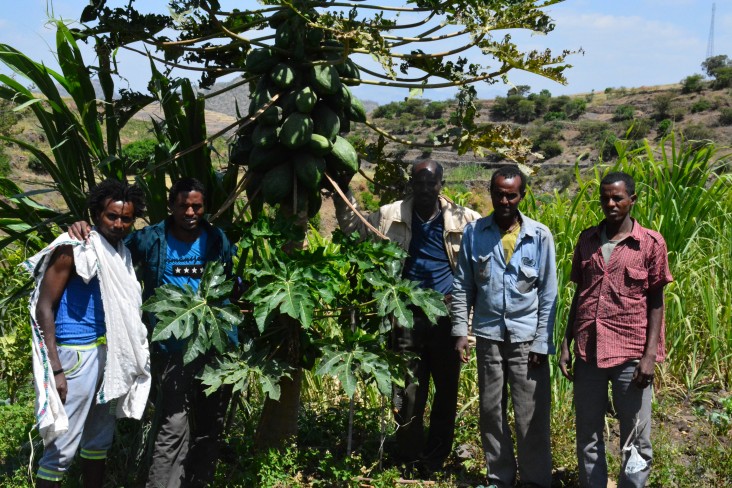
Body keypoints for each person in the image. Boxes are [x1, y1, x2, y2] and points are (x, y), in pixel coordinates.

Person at [70, 177, 236, 487]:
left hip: (214, 346)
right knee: (174, 425)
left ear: (205, 208)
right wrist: (84, 228)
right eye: (183, 206)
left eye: (197, 206)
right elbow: (110, 250)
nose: (190, 212)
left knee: (210, 425)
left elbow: (229, 285)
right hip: (171, 349)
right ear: (171, 206)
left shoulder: (217, 240)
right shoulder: (151, 239)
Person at [334, 160, 481, 472]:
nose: (426, 189)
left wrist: (466, 326)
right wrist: (341, 191)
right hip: (404, 314)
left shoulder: (465, 219)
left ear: (442, 184)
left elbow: (479, 270)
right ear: (411, 184)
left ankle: (436, 456)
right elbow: (358, 231)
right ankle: (409, 454)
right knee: (405, 390)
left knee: (446, 391)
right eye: (420, 183)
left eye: (433, 183)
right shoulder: (390, 215)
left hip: (446, 317)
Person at [25, 179, 151, 487]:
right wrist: (55, 369)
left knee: (98, 443)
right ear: (96, 213)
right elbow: (44, 308)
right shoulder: (73, 247)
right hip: (76, 357)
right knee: (61, 449)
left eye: (125, 218)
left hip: (110, 359)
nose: (119, 223)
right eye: (112, 216)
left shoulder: (120, 252)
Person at [559, 172, 673, 488]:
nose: (610, 203)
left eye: (618, 198)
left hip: (630, 355)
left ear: (631, 200)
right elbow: (580, 296)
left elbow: (656, 303)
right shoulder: (587, 241)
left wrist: (650, 356)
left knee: (636, 437)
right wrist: (567, 342)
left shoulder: (649, 244)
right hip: (589, 351)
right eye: (605, 197)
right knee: (588, 434)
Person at [451, 165, 557, 488]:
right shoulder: (474, 234)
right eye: (499, 194)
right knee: (490, 412)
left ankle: (536, 481)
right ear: (491, 193)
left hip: (527, 343)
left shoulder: (539, 236)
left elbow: (549, 293)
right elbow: (462, 286)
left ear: (522, 195)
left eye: (512, 195)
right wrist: (459, 332)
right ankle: (500, 477)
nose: (505, 201)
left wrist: (542, 342)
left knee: (531, 417)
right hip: (489, 338)